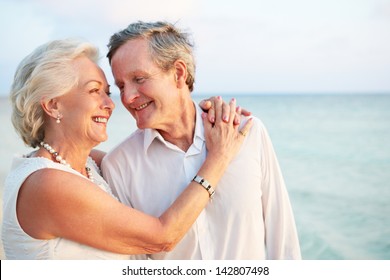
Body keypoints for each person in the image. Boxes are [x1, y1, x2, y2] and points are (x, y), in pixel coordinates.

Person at [1, 38, 252, 260]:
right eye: (94, 91)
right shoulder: (47, 184)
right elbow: (161, 237)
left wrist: (201, 116)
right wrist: (219, 156)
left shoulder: (89, 164)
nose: (110, 103)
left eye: (109, 92)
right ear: (54, 105)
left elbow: (157, 163)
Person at [102, 21, 301, 260]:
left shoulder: (247, 133)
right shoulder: (119, 166)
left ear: (178, 73)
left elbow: (283, 240)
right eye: (121, 85)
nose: (128, 97)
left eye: (139, 79)